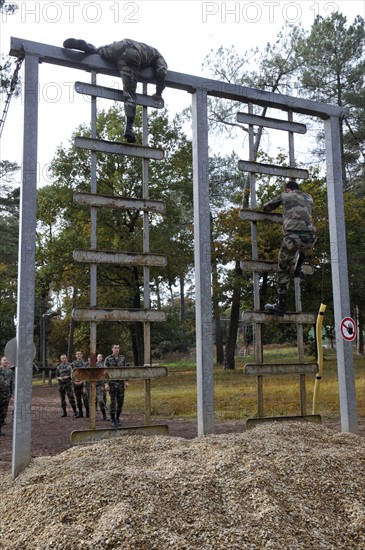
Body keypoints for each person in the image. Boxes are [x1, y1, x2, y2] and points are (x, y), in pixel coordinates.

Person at [63, 37, 167, 144]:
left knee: (98, 51)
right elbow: (161, 72)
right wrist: (158, 93)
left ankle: (86, 47)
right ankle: (129, 128)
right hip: (133, 55)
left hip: (121, 45)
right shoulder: (159, 57)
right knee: (130, 93)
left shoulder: (148, 48)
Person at [263, 178, 317, 315]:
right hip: (311, 237)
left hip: (292, 237)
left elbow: (267, 207)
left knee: (283, 270)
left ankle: (280, 305)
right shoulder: (309, 197)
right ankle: (298, 267)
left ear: (287, 189)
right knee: (303, 248)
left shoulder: (285, 195)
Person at [104, 344, 128, 428]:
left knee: (120, 402)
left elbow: (125, 370)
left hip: (121, 383)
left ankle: (117, 417)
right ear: (112, 349)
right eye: (115, 348)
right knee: (113, 402)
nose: (117, 349)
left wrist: (126, 381)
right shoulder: (108, 359)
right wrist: (106, 383)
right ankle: (113, 419)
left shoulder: (122, 358)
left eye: (118, 348)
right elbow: (105, 372)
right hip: (112, 383)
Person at [72, 351, 90, 418]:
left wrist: (83, 381)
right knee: (78, 399)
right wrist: (74, 381)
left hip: (83, 384)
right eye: (77, 354)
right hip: (75, 383)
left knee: (85, 399)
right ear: (76, 356)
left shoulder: (85, 364)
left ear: (82, 355)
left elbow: (86, 374)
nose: (79, 355)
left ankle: (88, 412)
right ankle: (80, 413)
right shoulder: (73, 363)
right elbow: (72, 373)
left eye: (80, 354)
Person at [0, 356, 14, 435]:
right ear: (1, 361)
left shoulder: (10, 372)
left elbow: (12, 384)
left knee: (3, 413)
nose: (6, 361)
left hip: (6, 396)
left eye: (7, 360)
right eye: (4, 360)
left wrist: (12, 396)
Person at [96, 353, 108, 421]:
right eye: (99, 357)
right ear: (97, 358)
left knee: (104, 399)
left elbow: (106, 374)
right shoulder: (94, 365)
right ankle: (103, 415)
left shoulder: (104, 364)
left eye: (101, 357)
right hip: (97, 385)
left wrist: (106, 383)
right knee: (100, 400)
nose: (100, 358)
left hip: (104, 384)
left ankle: (104, 415)